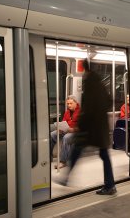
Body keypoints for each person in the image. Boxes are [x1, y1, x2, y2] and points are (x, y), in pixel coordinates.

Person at [57, 59, 117, 195]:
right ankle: (110, 185)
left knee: (77, 150)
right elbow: (109, 102)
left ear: (85, 69)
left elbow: (87, 109)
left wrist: (80, 125)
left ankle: (67, 177)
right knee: (103, 155)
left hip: (90, 128)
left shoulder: (90, 84)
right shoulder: (101, 85)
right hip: (100, 128)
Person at [50, 95, 80, 169]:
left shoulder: (81, 112)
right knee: (52, 134)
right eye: (68, 104)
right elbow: (63, 122)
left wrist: (73, 130)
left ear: (76, 103)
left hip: (76, 132)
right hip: (67, 130)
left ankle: (63, 161)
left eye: (71, 103)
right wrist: (60, 128)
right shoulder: (67, 112)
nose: (69, 105)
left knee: (66, 138)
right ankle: (48, 156)